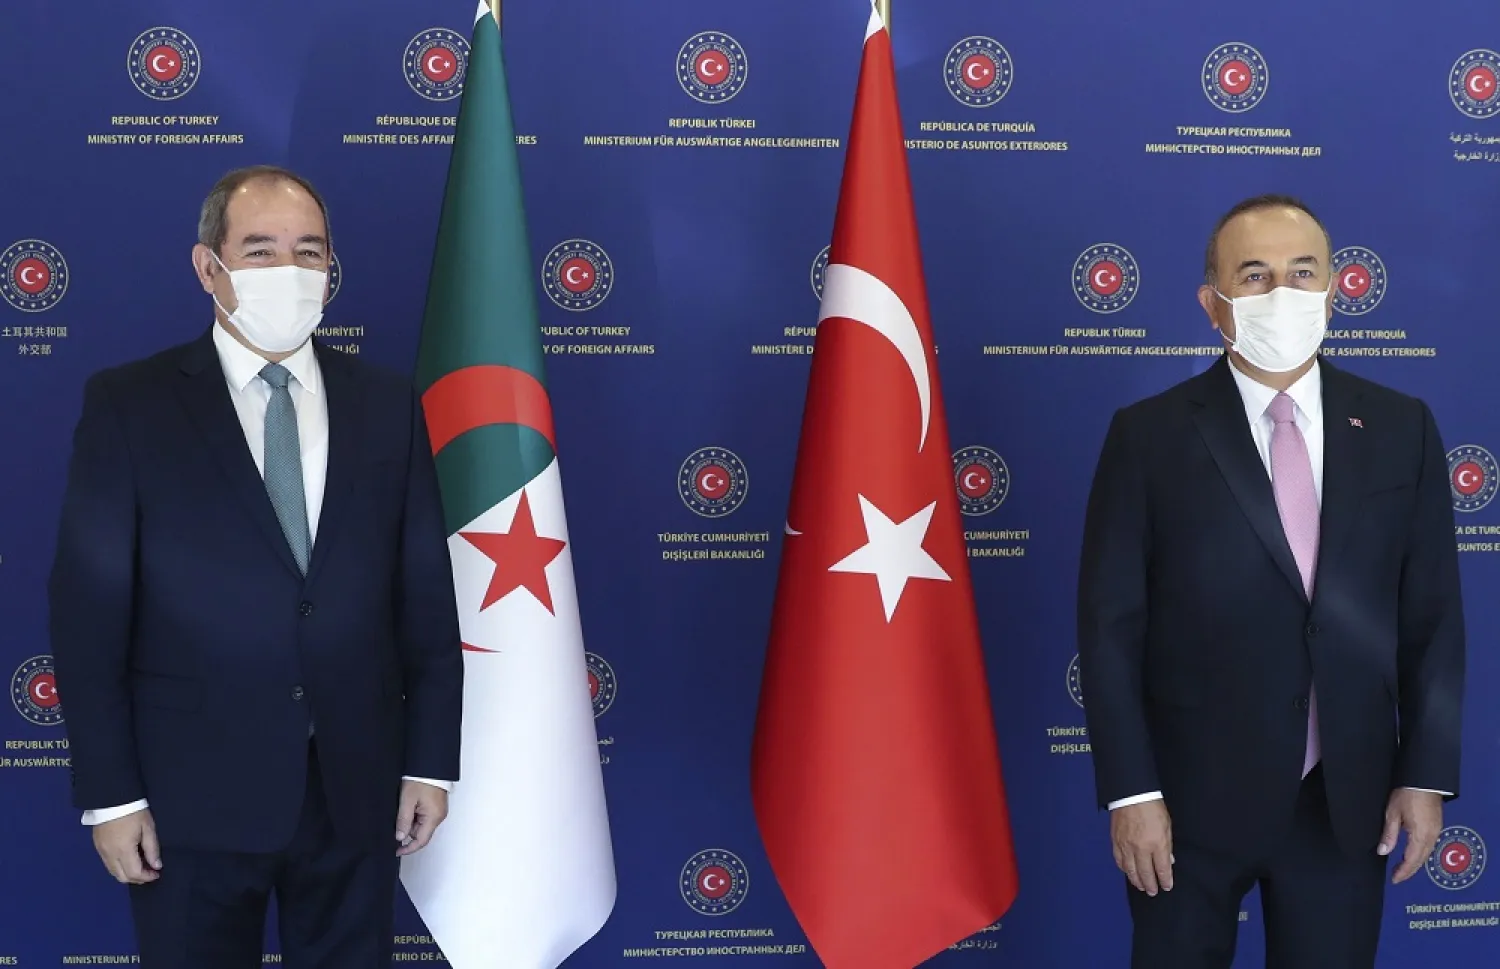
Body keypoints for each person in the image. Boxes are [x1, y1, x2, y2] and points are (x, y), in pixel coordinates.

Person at [48, 165, 464, 968]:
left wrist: (429, 762)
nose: (290, 272)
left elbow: (425, 597)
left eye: (309, 253)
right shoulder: (130, 407)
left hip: (354, 784)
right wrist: (112, 793)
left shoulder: (386, 404)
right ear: (210, 267)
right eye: (262, 250)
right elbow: (87, 613)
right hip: (186, 798)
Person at [1077, 194, 1465, 968]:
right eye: (1253, 275)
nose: (1281, 293)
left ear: (1333, 287)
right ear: (1213, 303)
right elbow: (1110, 629)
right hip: (1186, 806)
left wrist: (1424, 773)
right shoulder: (1147, 437)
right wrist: (1131, 793)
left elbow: (1432, 619)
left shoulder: (1402, 427)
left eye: (1302, 272)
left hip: (1343, 800)